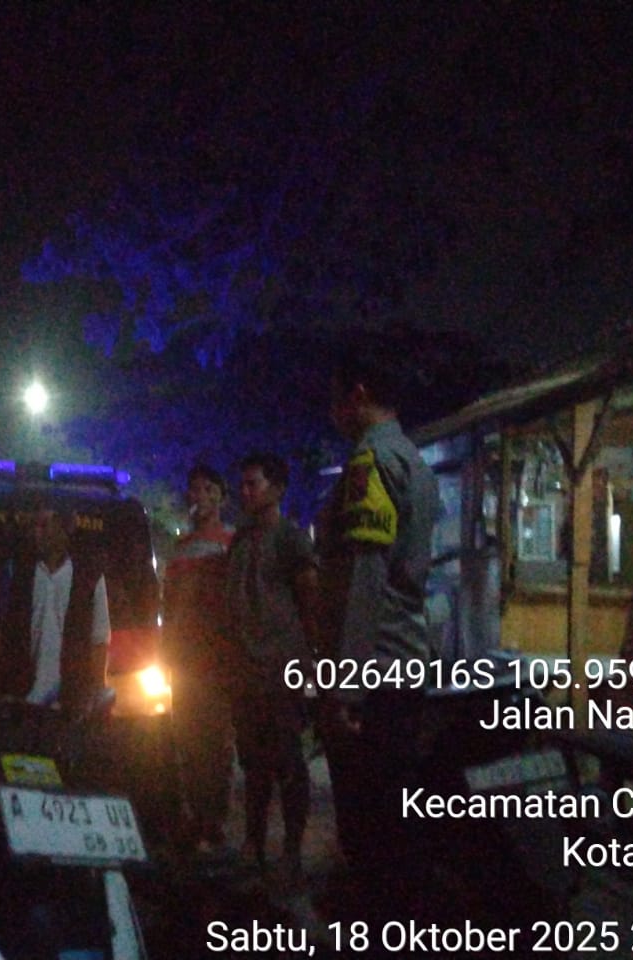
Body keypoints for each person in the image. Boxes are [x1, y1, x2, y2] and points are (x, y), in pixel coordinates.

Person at [317, 350, 438, 915]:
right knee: (396, 817)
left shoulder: (371, 461)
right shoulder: (413, 459)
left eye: (336, 398)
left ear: (358, 394)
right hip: (402, 663)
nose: (333, 411)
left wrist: (346, 686)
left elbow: (364, 578)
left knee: (371, 825)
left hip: (374, 671)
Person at [226, 452, 318, 886]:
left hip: (282, 671)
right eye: (243, 484)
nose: (245, 492)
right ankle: (254, 845)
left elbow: (310, 600)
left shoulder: (291, 540)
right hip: (246, 673)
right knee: (254, 765)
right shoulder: (241, 541)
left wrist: (313, 661)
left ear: (278, 489)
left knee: (288, 763)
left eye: (254, 484)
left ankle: (292, 852)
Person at [0, 506, 111, 751]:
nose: (36, 533)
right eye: (35, 526)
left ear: (64, 529)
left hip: (66, 709)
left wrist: (94, 695)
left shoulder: (90, 578)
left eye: (44, 526)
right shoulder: (16, 571)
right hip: (17, 705)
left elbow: (98, 641)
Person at [163, 463, 235, 856]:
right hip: (184, 659)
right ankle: (196, 817)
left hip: (218, 659)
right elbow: (170, 603)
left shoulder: (231, 543)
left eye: (209, 489)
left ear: (222, 497)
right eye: (196, 489)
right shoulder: (180, 548)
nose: (201, 496)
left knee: (217, 743)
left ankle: (215, 820)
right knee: (188, 741)